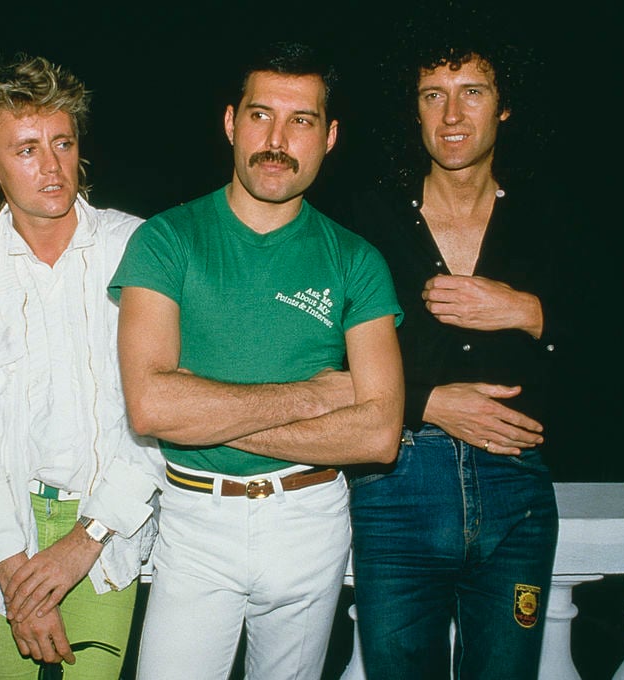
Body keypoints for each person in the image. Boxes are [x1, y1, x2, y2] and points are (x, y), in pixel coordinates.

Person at [109, 41, 405, 680]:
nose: (277, 140)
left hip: (310, 519)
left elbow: (379, 435)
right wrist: (316, 396)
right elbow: (151, 407)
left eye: (301, 121)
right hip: (195, 521)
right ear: (230, 122)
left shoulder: (357, 259)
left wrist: (205, 412)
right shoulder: (165, 240)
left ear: (329, 137)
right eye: (260, 115)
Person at [0, 55, 164, 680]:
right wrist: (10, 566)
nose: (52, 166)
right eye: (26, 150)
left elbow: (163, 411)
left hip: (108, 534)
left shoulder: (139, 251)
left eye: (63, 143)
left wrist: (85, 540)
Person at [344, 29, 566, 679]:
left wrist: (528, 311)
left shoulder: (549, 218)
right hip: (396, 487)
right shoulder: (365, 221)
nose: (451, 114)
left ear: (504, 104)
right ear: (413, 110)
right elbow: (318, 361)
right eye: (432, 95)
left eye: (472, 92)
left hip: (517, 494)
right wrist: (428, 403)